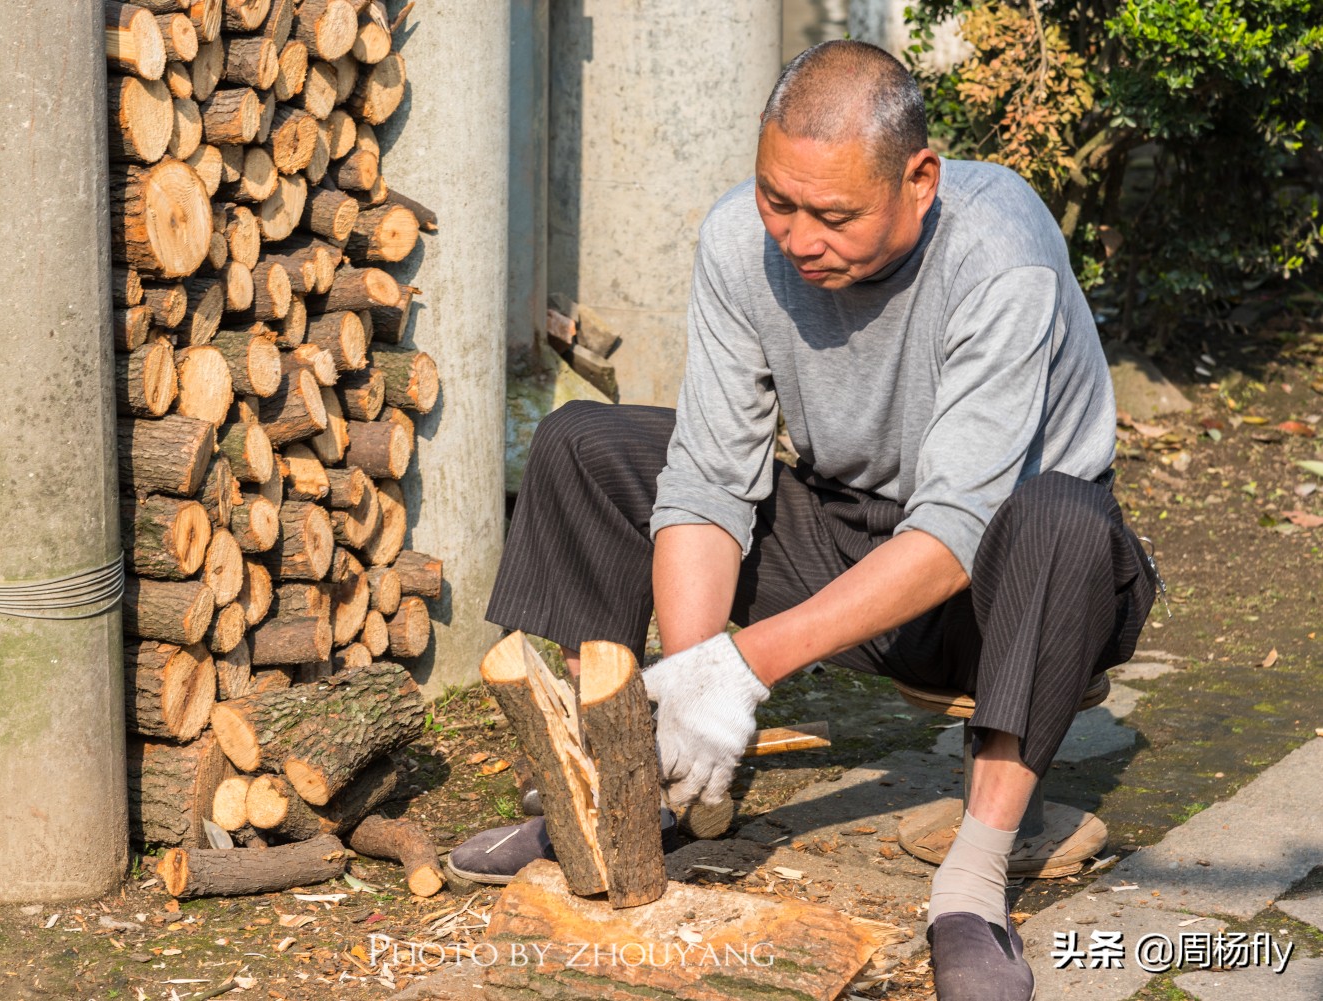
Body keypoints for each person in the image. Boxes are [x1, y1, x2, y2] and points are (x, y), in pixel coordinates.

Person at [448, 39, 1156, 1001]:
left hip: (1011, 591)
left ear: (920, 180)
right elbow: (709, 475)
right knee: (583, 442)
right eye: (779, 199)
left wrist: (745, 667)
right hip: (848, 533)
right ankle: (624, 797)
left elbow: (955, 527)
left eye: (833, 215)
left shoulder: (1000, 255)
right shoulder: (742, 239)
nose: (796, 236)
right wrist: (698, 684)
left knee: (1061, 515)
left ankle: (973, 886)